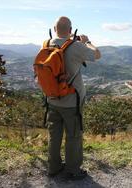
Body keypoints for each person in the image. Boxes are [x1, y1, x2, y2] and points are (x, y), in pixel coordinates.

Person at [46, 16, 101, 179]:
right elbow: (97, 55)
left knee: (54, 135)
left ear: (54, 29)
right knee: (74, 135)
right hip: (71, 101)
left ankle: (54, 167)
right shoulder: (76, 46)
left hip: (52, 99)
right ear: (70, 30)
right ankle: (73, 170)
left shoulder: (47, 44)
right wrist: (87, 41)